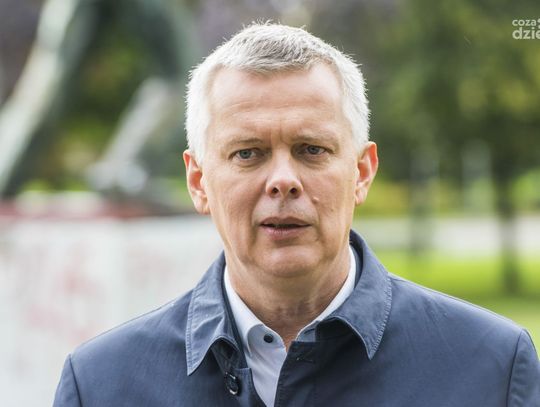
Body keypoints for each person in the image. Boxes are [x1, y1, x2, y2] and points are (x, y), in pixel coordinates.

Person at [53, 23, 540, 406]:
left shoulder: (492, 367)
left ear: (362, 172)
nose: (283, 180)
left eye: (311, 149)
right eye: (248, 153)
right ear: (198, 181)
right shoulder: (101, 385)